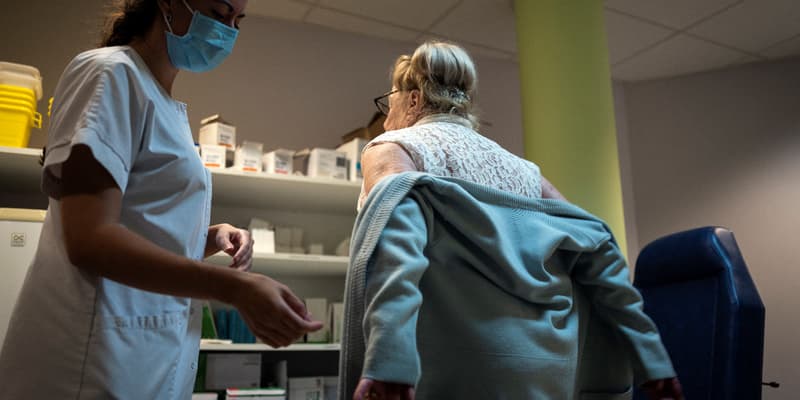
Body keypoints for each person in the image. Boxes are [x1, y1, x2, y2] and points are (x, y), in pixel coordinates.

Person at [0, 0, 321, 398]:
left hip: (143, 365)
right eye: (220, 13)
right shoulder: (110, 73)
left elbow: (140, 227)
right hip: (89, 367)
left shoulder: (165, 105)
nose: (229, 31)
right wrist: (235, 288)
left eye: (238, 21)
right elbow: (89, 239)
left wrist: (207, 236)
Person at [349, 41, 683, 399]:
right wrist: (651, 358)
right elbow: (594, 241)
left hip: (445, 369)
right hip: (547, 367)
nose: (386, 117)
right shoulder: (525, 172)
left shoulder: (393, 147)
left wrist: (390, 359)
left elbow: (397, 239)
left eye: (390, 101)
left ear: (413, 100)